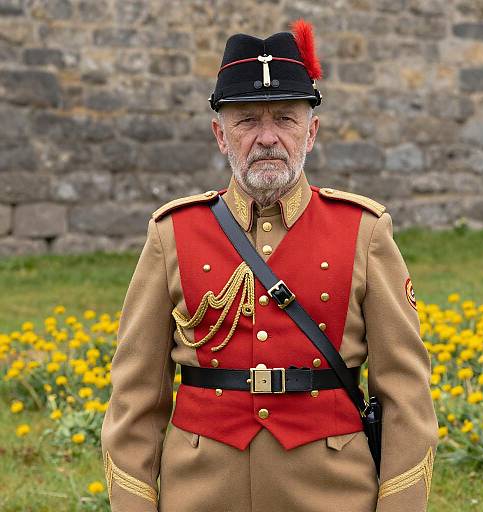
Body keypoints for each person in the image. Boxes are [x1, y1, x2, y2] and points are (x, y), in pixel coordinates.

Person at [101, 19, 439, 512]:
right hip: (200, 492)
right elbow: (135, 401)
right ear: (220, 135)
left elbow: (405, 397)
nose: (266, 138)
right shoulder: (171, 233)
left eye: (285, 119)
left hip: (332, 492)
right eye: (246, 121)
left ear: (311, 131)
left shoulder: (364, 230)